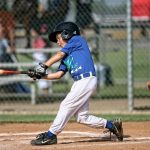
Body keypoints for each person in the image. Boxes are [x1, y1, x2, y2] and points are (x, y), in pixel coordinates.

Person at [28, 22, 123, 145]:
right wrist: (40, 76)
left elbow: (59, 54)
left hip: (86, 80)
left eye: (58, 38)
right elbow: (58, 75)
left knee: (65, 106)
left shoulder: (77, 40)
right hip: (80, 83)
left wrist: (43, 66)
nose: (58, 42)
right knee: (81, 118)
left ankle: (51, 135)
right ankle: (112, 125)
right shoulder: (66, 56)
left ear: (66, 34)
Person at [31, 18, 50, 94]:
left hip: (40, 55)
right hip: (38, 54)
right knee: (39, 72)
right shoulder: (37, 38)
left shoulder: (41, 38)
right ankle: (44, 91)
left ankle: (45, 91)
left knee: (41, 72)